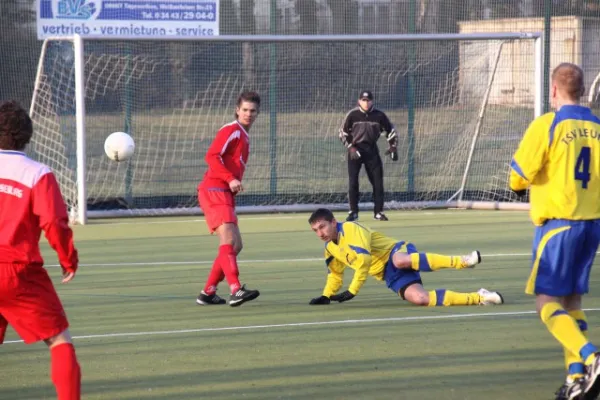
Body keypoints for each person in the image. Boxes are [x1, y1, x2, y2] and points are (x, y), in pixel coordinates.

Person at [509, 63, 600, 400]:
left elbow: (519, 176)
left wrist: (520, 184)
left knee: (545, 302)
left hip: (559, 224)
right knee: (571, 301)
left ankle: (591, 357)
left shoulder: (548, 124)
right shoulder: (597, 125)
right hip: (592, 225)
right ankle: (576, 378)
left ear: (553, 90)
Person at [0, 100, 81, 399]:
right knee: (60, 341)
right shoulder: (36, 173)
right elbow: (53, 221)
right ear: (28, 136)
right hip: (18, 272)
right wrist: (68, 258)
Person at [307, 208, 504, 307]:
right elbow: (335, 274)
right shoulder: (330, 249)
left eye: (322, 226)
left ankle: (461, 261)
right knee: (420, 299)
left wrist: (352, 291)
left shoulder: (350, 228)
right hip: (388, 274)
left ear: (333, 222)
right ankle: (480, 297)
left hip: (396, 251)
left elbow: (364, 261)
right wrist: (326, 295)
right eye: (315, 230)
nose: (320, 233)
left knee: (399, 260)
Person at [196, 91, 261, 307]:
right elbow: (211, 155)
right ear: (237, 110)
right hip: (215, 189)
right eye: (244, 110)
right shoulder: (232, 130)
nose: (248, 114)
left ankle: (208, 291)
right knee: (229, 241)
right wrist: (230, 178)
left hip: (224, 193)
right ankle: (235, 289)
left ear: (257, 113)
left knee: (236, 245)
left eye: (252, 111)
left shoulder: (244, 134)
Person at [339, 90, 398, 222]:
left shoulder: (379, 115)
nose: (366, 103)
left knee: (378, 182)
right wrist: (351, 148)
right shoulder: (352, 115)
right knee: (353, 182)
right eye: (364, 100)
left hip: (371, 150)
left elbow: (390, 131)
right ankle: (353, 212)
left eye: (369, 100)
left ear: (372, 101)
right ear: (359, 101)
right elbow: (342, 134)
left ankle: (378, 212)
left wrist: (393, 146)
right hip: (355, 151)